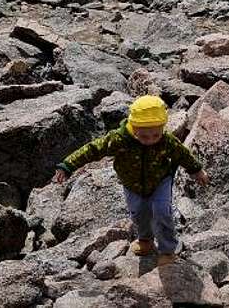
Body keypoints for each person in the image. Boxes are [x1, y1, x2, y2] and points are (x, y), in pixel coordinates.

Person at [52, 95, 210, 264]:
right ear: (134, 128)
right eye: (144, 136)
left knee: (163, 211)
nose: (150, 141)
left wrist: (196, 170)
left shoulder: (166, 141)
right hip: (132, 184)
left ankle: (167, 250)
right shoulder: (119, 140)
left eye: (155, 135)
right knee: (139, 212)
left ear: (163, 127)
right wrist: (68, 165)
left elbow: (182, 155)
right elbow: (93, 149)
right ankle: (145, 240)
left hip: (160, 182)